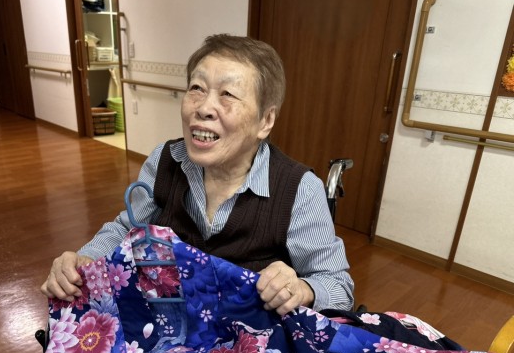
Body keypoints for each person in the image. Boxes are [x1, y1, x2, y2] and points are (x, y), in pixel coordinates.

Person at [41, 33, 354, 316]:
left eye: (228, 94)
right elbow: (126, 230)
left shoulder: (299, 189)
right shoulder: (164, 162)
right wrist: (83, 259)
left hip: (248, 341)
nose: (203, 107)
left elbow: (339, 287)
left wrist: (303, 289)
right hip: (170, 326)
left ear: (265, 121)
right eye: (196, 88)